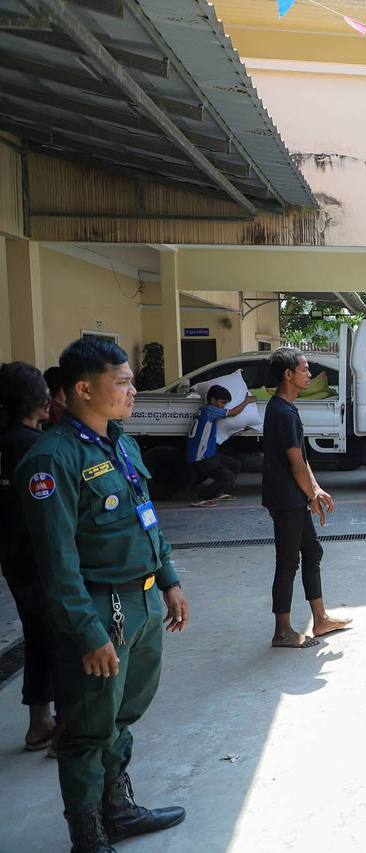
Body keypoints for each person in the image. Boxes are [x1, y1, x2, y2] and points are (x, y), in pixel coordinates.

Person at [16, 339, 189, 852]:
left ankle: (119, 809)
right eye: (123, 382)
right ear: (83, 389)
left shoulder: (121, 443)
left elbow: (146, 516)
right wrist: (88, 633)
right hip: (97, 609)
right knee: (87, 728)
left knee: (122, 715)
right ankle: (88, 835)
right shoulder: (52, 460)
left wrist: (169, 579)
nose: (133, 391)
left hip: (142, 601)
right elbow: (56, 562)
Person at [261, 347, 351, 648]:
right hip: (286, 498)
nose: (310, 374)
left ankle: (320, 619)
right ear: (288, 375)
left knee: (312, 552)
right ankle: (282, 631)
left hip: (294, 496)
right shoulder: (282, 412)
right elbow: (295, 464)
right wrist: (311, 493)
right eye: (304, 369)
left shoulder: (287, 409)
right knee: (288, 562)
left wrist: (315, 491)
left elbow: (302, 459)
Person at [0, 361, 57, 753]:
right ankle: (64, 728)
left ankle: (40, 722)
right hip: (42, 559)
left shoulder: (9, 441)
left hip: (15, 560)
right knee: (62, 639)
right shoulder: (36, 447)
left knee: (39, 636)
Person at [186, 384, 253, 507]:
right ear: (213, 400)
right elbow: (233, 413)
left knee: (235, 465)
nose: (223, 406)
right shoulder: (209, 410)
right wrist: (246, 401)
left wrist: (241, 429)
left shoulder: (205, 412)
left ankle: (217, 491)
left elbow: (223, 431)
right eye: (222, 403)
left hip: (208, 455)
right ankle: (204, 497)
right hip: (201, 458)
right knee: (228, 476)